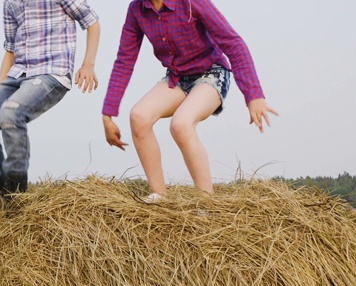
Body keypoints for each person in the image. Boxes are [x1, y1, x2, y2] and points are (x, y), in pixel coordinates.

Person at [102, 0, 278, 201]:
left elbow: (233, 44)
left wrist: (254, 95)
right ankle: (159, 196)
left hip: (211, 73)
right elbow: (125, 60)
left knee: (180, 124)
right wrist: (108, 113)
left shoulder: (191, 2)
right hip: (177, 77)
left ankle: (206, 202)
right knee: (138, 117)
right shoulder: (136, 9)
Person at [0, 0, 101, 205]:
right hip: (17, 75)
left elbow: (92, 22)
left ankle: (16, 195)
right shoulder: (10, 3)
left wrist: (88, 64)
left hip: (52, 72)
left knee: (10, 115)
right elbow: (11, 50)